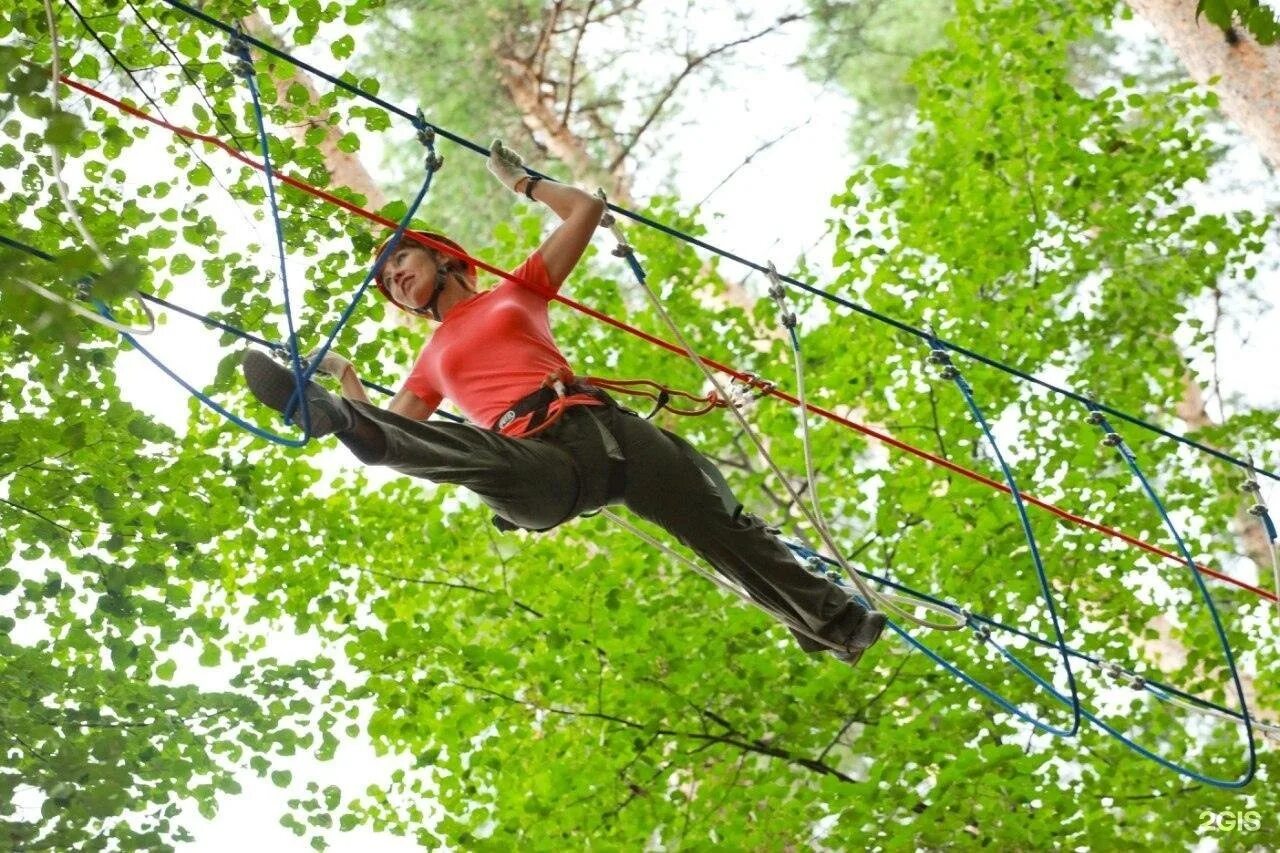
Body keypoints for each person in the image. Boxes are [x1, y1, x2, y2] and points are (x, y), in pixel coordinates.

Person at [241, 139, 886, 665]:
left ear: (443, 257)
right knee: (464, 453)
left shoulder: (517, 290)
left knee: (724, 527)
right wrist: (348, 380)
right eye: (386, 283)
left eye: (400, 261)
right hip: (535, 466)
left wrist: (523, 184)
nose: (395, 280)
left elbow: (584, 213)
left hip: (609, 434)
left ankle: (834, 623)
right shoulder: (430, 361)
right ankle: (329, 412)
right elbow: (397, 434)